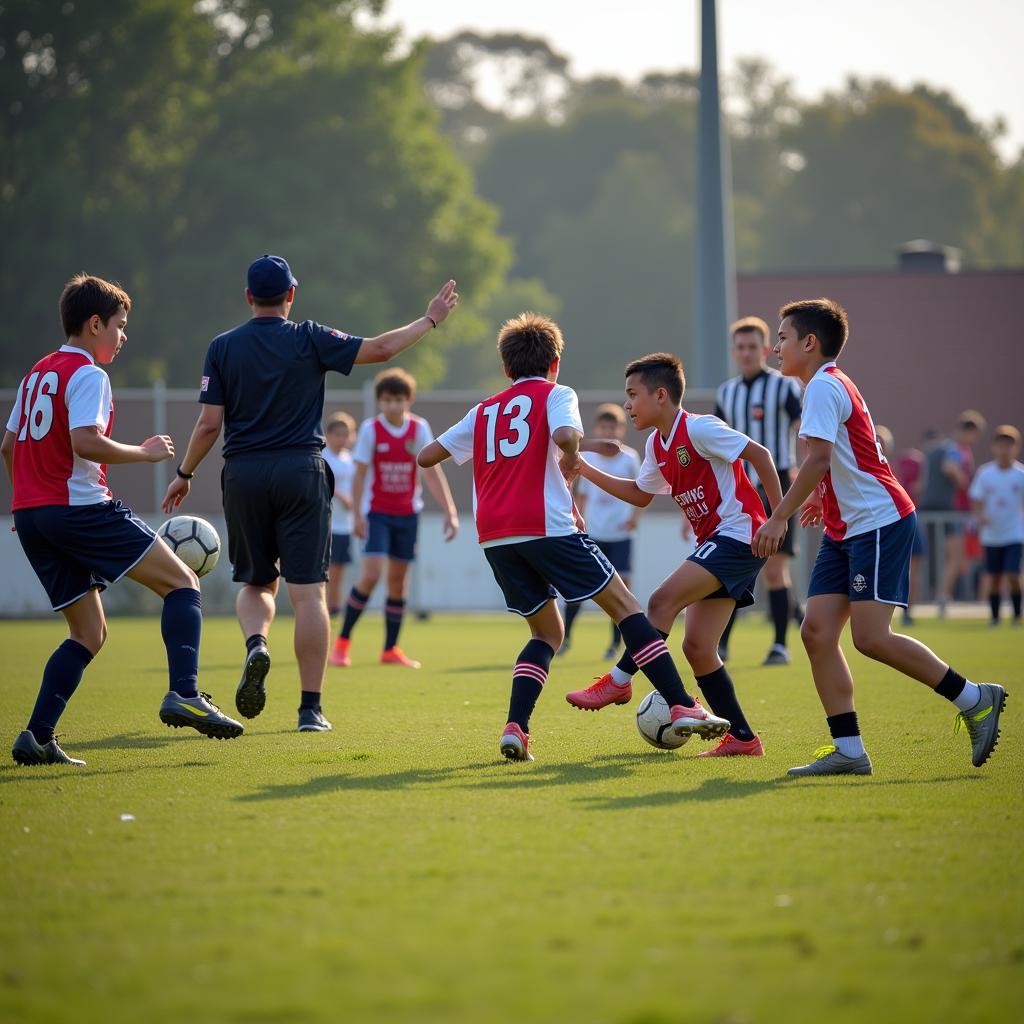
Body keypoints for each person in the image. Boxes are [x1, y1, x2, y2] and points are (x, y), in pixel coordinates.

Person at [163, 254, 458, 733]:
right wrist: (430, 319)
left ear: (247, 298)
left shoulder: (221, 347)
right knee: (308, 595)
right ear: (291, 295)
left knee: (256, 584)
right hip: (301, 469)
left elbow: (209, 424)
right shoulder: (309, 337)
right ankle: (309, 710)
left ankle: (257, 643)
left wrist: (184, 472)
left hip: (244, 473)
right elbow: (382, 350)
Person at [418, 315, 730, 762]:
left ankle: (516, 728)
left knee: (546, 631)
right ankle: (681, 703)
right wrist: (569, 456)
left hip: (495, 535)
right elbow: (565, 434)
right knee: (628, 608)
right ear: (555, 363)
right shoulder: (557, 393)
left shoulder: (484, 409)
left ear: (506, 368)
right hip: (547, 525)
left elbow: (427, 456)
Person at [754, 298, 1007, 776]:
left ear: (810, 343)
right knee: (817, 632)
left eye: (782, 338)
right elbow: (841, 460)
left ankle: (974, 698)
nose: (775, 346)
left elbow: (821, 459)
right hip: (847, 527)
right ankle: (849, 749)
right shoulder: (823, 386)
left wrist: (780, 515)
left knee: (870, 638)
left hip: (876, 521)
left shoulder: (823, 388)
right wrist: (817, 500)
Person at [4, 274, 243, 766]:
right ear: (94, 324)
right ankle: (185, 693)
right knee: (182, 583)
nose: (123, 335)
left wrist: (29, 501)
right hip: (81, 508)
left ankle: (37, 737)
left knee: (89, 633)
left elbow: (8, 447)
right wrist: (145, 452)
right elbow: (84, 441)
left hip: (34, 516)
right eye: (119, 325)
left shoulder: (36, 374)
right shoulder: (88, 373)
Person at [565, 352, 782, 758]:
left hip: (739, 534)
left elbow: (761, 456)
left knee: (661, 601)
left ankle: (619, 679)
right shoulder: (656, 444)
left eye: (633, 395)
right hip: (717, 540)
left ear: (661, 395)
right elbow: (639, 495)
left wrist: (778, 518)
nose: (627, 405)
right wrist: (583, 467)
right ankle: (743, 738)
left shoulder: (700, 429)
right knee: (698, 648)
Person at [332, 368, 459, 669]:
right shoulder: (370, 430)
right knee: (372, 574)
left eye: (399, 399)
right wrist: (359, 515)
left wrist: (449, 510)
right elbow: (360, 472)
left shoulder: (419, 429)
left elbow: (431, 470)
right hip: (377, 514)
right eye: (387, 400)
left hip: (407, 514)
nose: (393, 405)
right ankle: (342, 643)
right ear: (379, 402)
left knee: (398, 583)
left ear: (409, 400)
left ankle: (390, 649)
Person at [714, 316, 804, 665]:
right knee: (734, 564)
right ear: (734, 351)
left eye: (753, 346)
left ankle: (780, 645)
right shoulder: (727, 392)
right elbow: (717, 446)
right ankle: (721, 645)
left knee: (772, 569)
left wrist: (812, 480)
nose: (747, 353)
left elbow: (805, 430)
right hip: (738, 489)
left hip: (777, 483)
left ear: (765, 349)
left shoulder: (784, 387)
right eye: (741, 347)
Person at [560, 404, 642, 660]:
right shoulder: (589, 458)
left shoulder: (629, 458)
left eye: (613, 427)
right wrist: (577, 522)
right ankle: (566, 639)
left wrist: (633, 520)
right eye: (604, 427)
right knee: (578, 587)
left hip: (620, 537)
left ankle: (615, 644)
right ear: (596, 429)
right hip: (593, 534)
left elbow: (641, 491)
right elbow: (581, 494)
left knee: (621, 593)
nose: (609, 431)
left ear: (622, 430)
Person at [920, 411, 985, 613]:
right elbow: (949, 467)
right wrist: (964, 481)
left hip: (932, 507)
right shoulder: (955, 449)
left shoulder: (938, 448)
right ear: (969, 432)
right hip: (948, 509)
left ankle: (941, 594)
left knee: (950, 559)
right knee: (956, 558)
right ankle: (942, 596)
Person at [969, 425, 1024, 626]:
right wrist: (980, 515)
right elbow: (976, 500)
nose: (1004, 449)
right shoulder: (986, 473)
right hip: (992, 534)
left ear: (1016, 448)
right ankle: (994, 617)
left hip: (1014, 534)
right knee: (994, 579)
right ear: (994, 447)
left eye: (1009, 445)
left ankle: (1017, 615)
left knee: (1013, 574)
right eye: (1001, 445)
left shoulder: (1020, 474)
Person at [876, 426, 927, 626]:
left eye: (882, 442)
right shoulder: (864, 469)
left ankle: (908, 610)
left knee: (914, 567)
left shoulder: (903, 466)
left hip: (906, 519)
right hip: (881, 525)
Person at [322, 411, 357, 619]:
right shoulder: (323, 456)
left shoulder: (350, 459)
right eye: (338, 434)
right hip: (327, 523)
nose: (342, 439)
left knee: (340, 570)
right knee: (327, 570)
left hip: (346, 524)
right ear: (328, 434)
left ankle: (335, 608)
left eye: (347, 434)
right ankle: (325, 608)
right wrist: (340, 495)